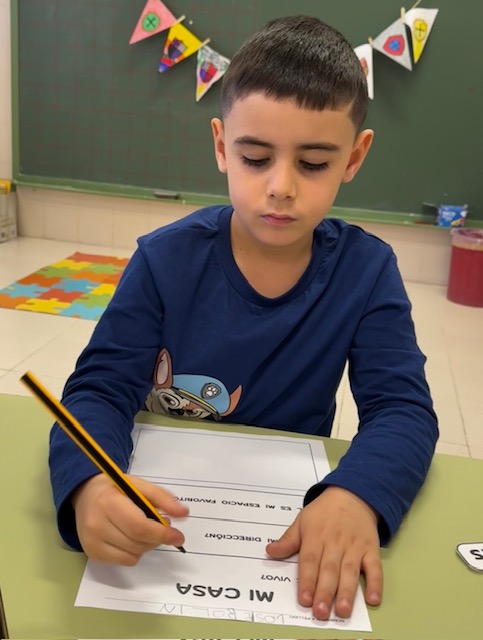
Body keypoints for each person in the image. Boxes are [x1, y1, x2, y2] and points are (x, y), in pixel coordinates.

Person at [49, 15, 438, 621]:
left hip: (286, 520)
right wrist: (91, 481)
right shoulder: (163, 260)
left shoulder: (367, 272)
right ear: (220, 146)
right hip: (168, 507)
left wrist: (356, 495)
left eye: (313, 164)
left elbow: (403, 409)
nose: (281, 187)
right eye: (255, 157)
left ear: (354, 156)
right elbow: (99, 390)